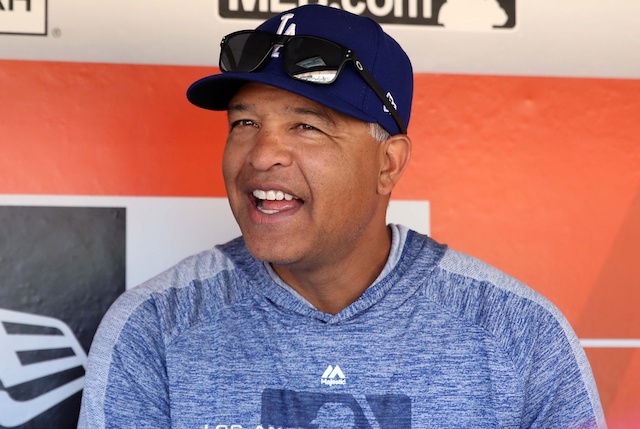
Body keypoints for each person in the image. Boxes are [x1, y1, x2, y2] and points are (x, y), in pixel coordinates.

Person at [78, 4, 606, 429]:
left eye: (306, 126)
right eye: (243, 123)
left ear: (388, 162)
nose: (261, 155)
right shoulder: (154, 327)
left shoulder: (519, 334)